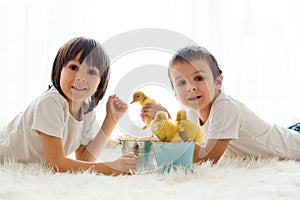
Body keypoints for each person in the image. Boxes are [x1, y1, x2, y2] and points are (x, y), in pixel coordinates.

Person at [0, 37, 137, 175]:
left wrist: (111, 120)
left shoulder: (86, 108)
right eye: (73, 67)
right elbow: (57, 163)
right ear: (59, 70)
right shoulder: (50, 103)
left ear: (100, 83)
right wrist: (110, 168)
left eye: (91, 72)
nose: (80, 77)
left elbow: (85, 158)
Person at [142, 45, 300, 164]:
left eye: (198, 78)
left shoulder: (226, 108)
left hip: (295, 143)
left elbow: (207, 158)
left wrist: (169, 132)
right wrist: (166, 124)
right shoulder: (192, 113)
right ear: (175, 93)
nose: (190, 87)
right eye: (182, 82)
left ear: (218, 82)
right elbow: (187, 147)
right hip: (285, 131)